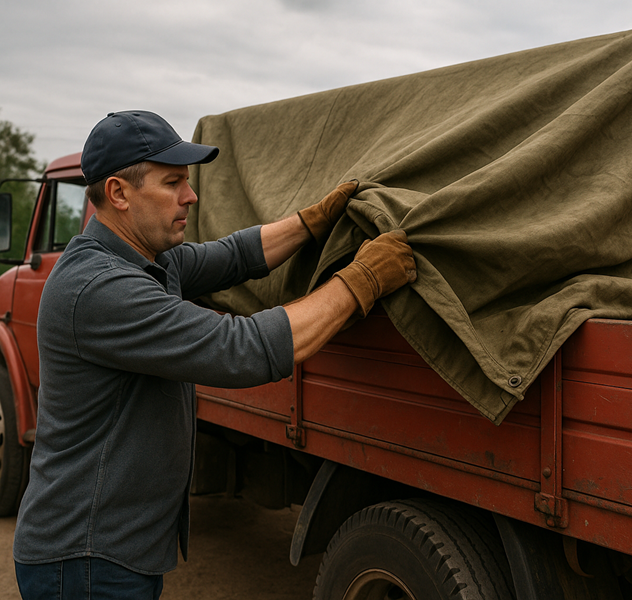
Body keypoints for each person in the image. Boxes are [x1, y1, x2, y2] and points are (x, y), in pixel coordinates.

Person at [12, 110, 416, 599]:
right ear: (118, 193)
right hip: (85, 561)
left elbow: (234, 255)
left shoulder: (146, 258)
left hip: (107, 550)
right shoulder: (99, 288)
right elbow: (241, 348)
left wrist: (311, 222)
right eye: (173, 182)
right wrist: (362, 282)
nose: (192, 196)